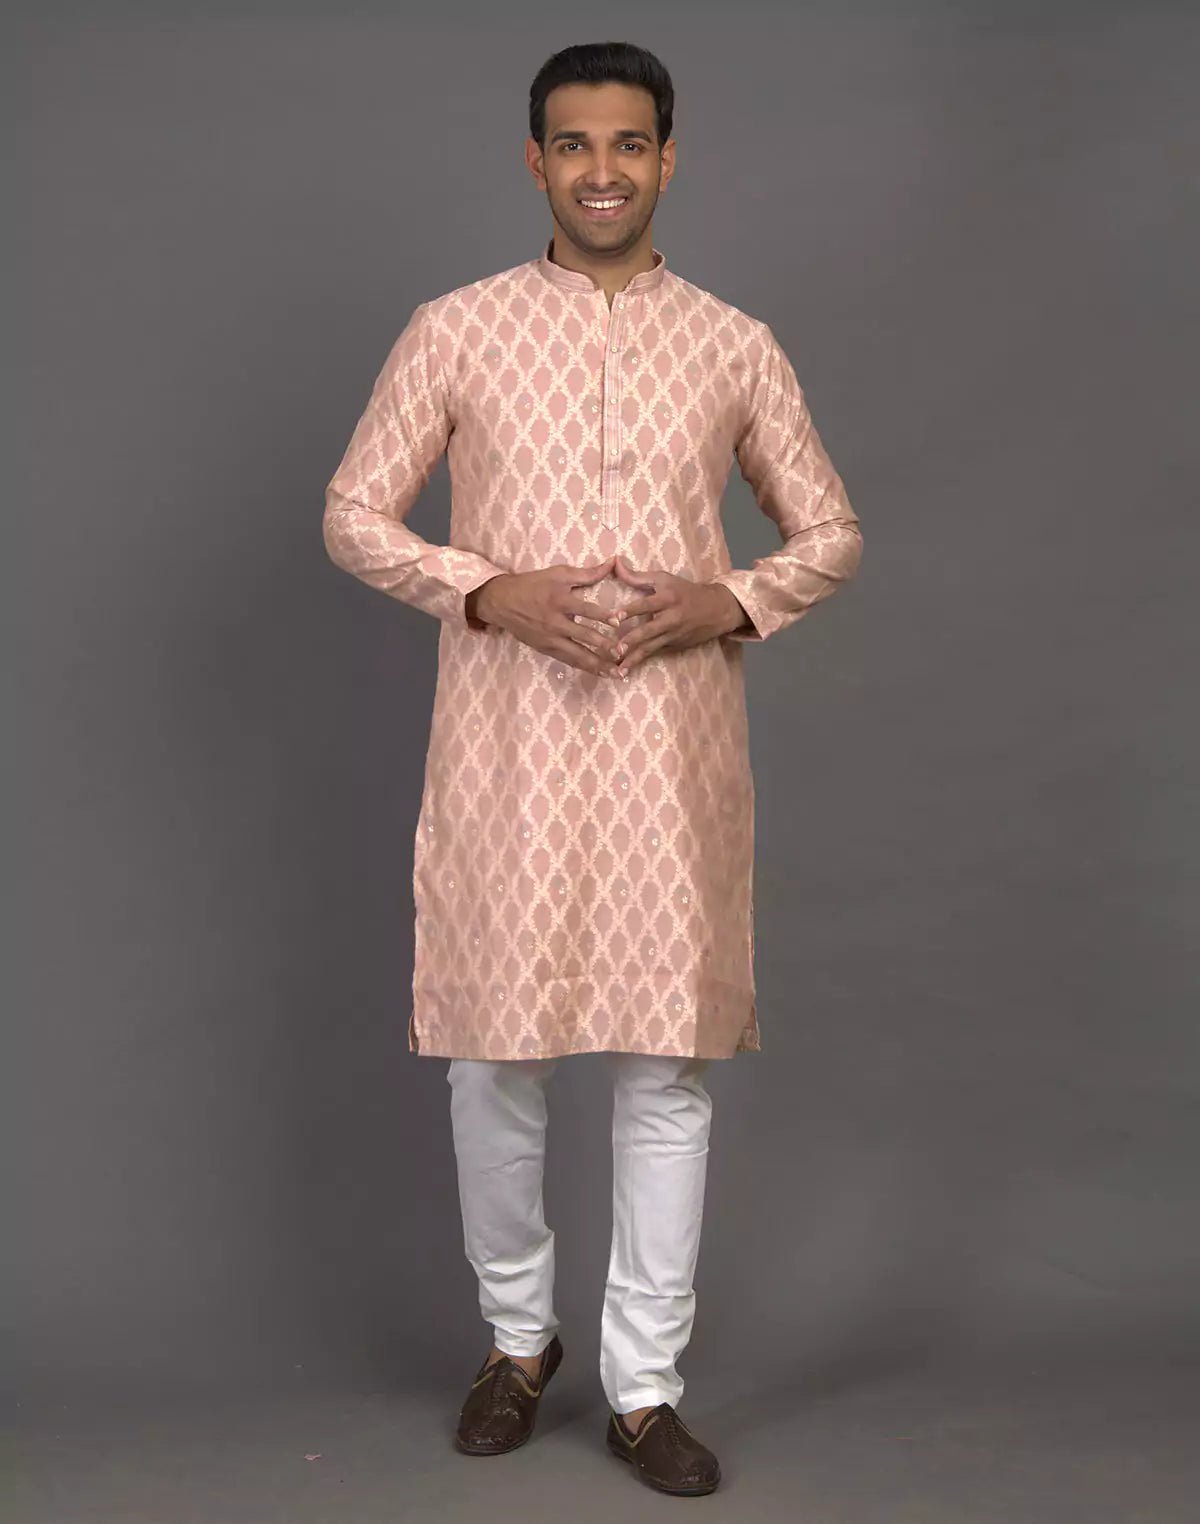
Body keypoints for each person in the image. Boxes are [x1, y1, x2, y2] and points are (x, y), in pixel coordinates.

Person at [322, 39, 863, 1497]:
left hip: (670, 753)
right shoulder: (458, 328)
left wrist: (727, 601)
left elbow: (829, 533)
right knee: (494, 1055)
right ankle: (517, 1344)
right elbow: (355, 512)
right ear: (536, 161)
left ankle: (644, 1388)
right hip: (506, 744)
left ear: (668, 159)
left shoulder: (734, 343)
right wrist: (485, 590)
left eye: (629, 144)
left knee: (665, 1065)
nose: (603, 171)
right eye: (574, 144)